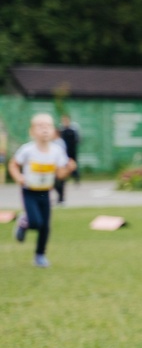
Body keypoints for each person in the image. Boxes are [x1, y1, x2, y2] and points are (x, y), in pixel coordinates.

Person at [9, 113, 75, 268]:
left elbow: (59, 174)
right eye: (40, 126)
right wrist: (18, 177)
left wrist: (69, 169)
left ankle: (40, 255)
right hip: (29, 192)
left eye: (48, 126)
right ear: (32, 131)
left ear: (53, 131)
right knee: (36, 222)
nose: (44, 129)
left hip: (45, 193)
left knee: (45, 226)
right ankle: (24, 222)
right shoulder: (27, 150)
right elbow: (13, 164)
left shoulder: (57, 151)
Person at [54, 114, 80, 203]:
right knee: (57, 179)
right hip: (61, 158)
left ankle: (76, 179)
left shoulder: (73, 129)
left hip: (70, 153)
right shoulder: (62, 131)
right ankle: (60, 197)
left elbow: (77, 139)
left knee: (62, 177)